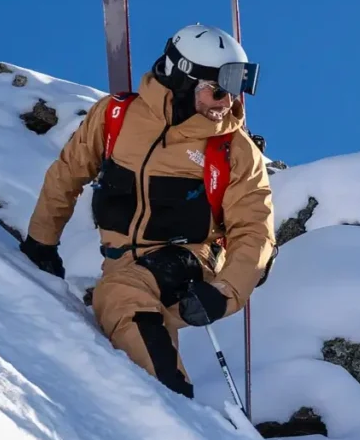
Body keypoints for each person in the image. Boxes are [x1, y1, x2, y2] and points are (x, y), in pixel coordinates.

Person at [19, 26, 273, 397]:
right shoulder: (116, 117)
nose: (226, 102)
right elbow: (67, 173)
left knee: (120, 295)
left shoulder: (234, 150)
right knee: (127, 301)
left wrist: (224, 291)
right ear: (182, 81)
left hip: (187, 259)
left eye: (234, 91)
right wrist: (41, 242)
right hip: (121, 263)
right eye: (217, 90)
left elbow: (254, 232)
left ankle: (173, 407)